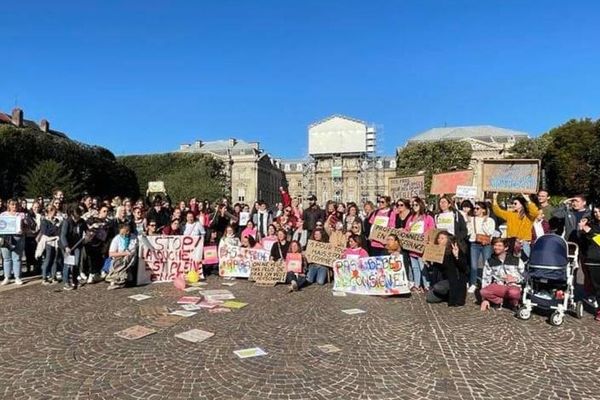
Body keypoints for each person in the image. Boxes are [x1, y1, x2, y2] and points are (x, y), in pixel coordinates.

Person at [480, 238, 525, 311]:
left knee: (513, 292)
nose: (496, 247)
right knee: (483, 291)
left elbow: (525, 276)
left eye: (499, 245)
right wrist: (485, 300)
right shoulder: (490, 261)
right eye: (495, 245)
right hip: (499, 286)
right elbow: (486, 278)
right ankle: (499, 301)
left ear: (506, 248)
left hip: (513, 286)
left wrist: (515, 279)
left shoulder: (516, 260)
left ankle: (514, 303)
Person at [426, 231, 469, 306]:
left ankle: (451, 295)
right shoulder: (437, 252)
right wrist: (430, 259)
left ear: (448, 239)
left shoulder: (454, 249)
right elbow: (436, 269)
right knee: (429, 298)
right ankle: (446, 296)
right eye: (438, 238)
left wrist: (456, 256)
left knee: (438, 287)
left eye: (442, 238)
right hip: (442, 279)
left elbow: (464, 267)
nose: (439, 240)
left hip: (454, 281)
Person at [492, 193, 539, 257]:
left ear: (522, 205)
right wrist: (494, 198)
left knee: (524, 263)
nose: (513, 205)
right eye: (512, 203)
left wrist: (528, 199)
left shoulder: (529, 215)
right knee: (511, 263)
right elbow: (497, 211)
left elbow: (535, 212)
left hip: (524, 243)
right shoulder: (510, 214)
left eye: (515, 203)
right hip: (511, 242)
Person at [404, 197, 435, 292]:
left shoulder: (427, 217)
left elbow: (431, 230)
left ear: (420, 205)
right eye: (413, 205)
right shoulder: (410, 218)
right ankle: (417, 285)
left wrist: (424, 239)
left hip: (422, 247)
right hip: (412, 247)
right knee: (415, 267)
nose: (414, 207)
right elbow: (406, 230)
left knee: (423, 267)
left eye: (416, 204)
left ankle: (426, 285)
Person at [467, 202, 496, 293]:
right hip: (474, 244)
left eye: (477, 208)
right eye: (474, 208)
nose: (475, 210)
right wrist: (468, 223)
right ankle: (473, 283)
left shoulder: (490, 220)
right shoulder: (472, 219)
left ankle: (486, 283)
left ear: (483, 210)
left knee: (486, 264)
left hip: (486, 244)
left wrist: (484, 223)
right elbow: (469, 232)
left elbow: (489, 232)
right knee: (474, 265)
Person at [59, 205, 88, 291]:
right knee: (68, 264)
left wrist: (88, 235)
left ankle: (74, 280)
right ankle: (66, 282)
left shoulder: (82, 221)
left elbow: (87, 231)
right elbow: (63, 236)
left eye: (78, 216)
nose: (77, 219)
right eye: (75, 217)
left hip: (77, 244)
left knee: (77, 262)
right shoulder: (66, 222)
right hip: (67, 245)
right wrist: (66, 246)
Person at [579, 209, 600, 320]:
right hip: (593, 260)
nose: (598, 214)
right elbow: (583, 241)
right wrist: (582, 230)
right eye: (596, 212)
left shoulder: (591, 228)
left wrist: (590, 231)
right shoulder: (590, 224)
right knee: (597, 287)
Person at [0, 199, 26, 285]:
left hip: (18, 238)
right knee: (6, 258)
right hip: (5, 238)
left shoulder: (21, 215)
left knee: (17, 258)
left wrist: (22, 227)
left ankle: (17, 277)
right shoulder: (3, 215)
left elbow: (26, 227)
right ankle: (7, 277)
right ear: (8, 205)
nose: (14, 207)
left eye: (16, 205)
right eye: (12, 205)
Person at [106, 223, 138, 290]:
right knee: (121, 260)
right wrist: (124, 253)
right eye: (121, 233)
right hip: (120, 258)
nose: (123, 235)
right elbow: (111, 254)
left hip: (132, 258)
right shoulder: (116, 239)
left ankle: (124, 278)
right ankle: (114, 280)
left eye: (125, 232)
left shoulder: (134, 237)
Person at [38, 205, 62, 284]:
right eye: (54, 211)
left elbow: (58, 231)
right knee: (48, 259)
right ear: (49, 211)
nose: (55, 213)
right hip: (48, 242)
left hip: (55, 241)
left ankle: (53, 276)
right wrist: (55, 227)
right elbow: (46, 232)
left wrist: (55, 228)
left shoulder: (56, 221)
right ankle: (44, 277)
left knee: (55, 260)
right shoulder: (44, 221)